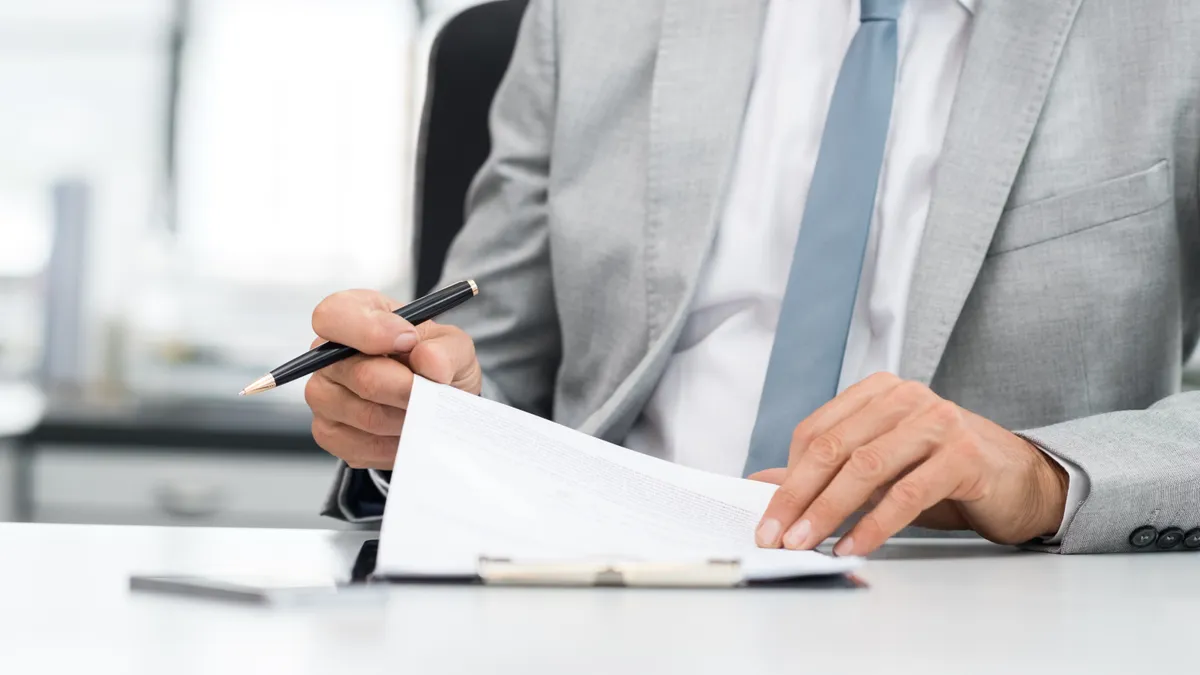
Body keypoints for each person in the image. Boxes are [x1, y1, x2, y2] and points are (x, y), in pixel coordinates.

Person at [310, 0, 1200, 555]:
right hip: (611, 588)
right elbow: (486, 368)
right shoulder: (588, 15)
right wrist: (417, 405)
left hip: (975, 604)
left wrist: (1044, 475)